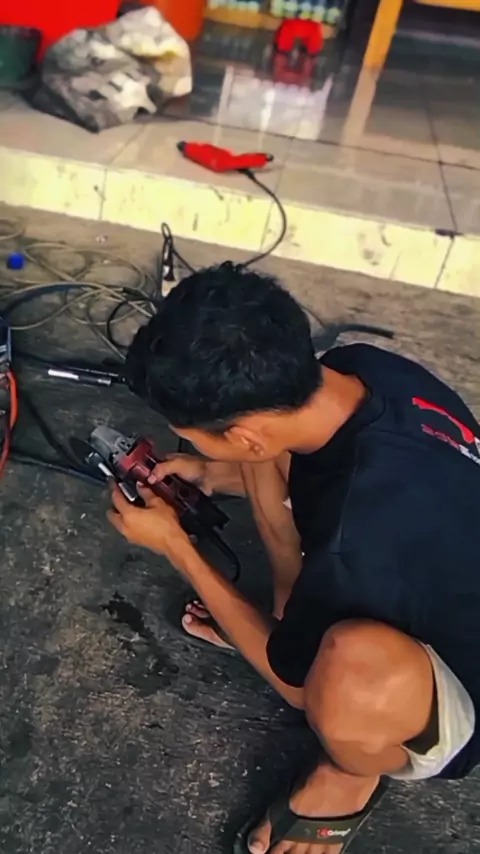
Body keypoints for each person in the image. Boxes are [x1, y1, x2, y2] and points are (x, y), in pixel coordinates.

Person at [108, 263, 480, 854]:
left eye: (195, 435)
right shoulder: (361, 368)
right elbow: (286, 451)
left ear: (244, 435)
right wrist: (213, 471)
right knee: (278, 463)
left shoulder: (358, 542)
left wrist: (176, 545)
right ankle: (288, 625)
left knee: (347, 671)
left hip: (461, 685)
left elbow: (296, 688)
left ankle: (351, 772)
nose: (193, 443)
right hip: (434, 553)